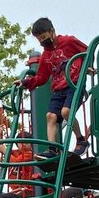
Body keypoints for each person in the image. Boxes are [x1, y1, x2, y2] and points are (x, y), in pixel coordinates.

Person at [22, 17, 89, 158]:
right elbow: (42, 77)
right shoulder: (46, 55)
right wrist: (26, 83)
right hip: (59, 89)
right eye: (39, 40)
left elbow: (87, 52)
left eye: (44, 37)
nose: (42, 42)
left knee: (66, 112)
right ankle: (52, 150)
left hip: (73, 84)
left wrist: (87, 67)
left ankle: (81, 140)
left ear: (52, 32)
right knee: (50, 116)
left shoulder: (68, 42)